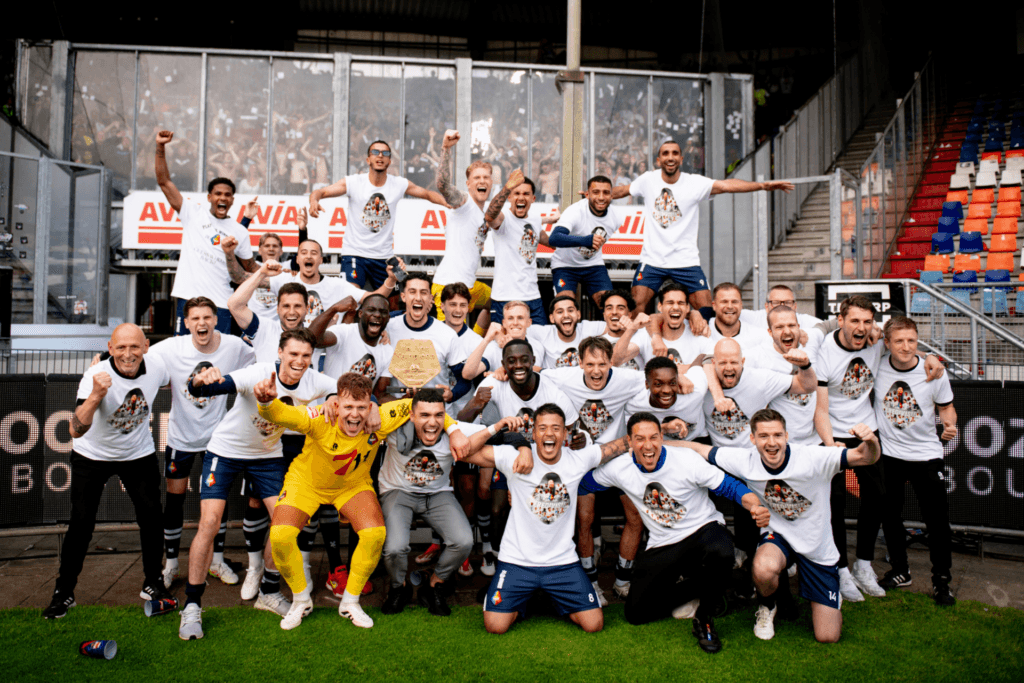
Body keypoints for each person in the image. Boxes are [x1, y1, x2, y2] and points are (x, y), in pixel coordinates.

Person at [255, 376, 470, 629]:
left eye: (361, 407)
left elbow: (420, 405)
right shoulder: (320, 417)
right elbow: (282, 414)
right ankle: (301, 600)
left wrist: (454, 430)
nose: (355, 415)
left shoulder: (380, 417)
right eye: (348, 407)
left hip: (352, 485)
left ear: (370, 406)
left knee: (374, 534)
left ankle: (351, 602)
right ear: (336, 405)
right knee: (280, 535)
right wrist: (266, 403)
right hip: (306, 484)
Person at [177, 329, 337, 640]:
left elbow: (345, 391)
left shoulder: (315, 380)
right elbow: (208, 387)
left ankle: (269, 592)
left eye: (305, 355)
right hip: (225, 452)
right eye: (293, 354)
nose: (299, 361)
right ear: (280, 353)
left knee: (285, 524)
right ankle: (192, 605)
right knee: (209, 523)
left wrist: (334, 400)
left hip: (267, 457)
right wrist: (200, 380)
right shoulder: (258, 373)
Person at [681, 410, 881, 644]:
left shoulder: (814, 457)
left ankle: (828, 593)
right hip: (778, 538)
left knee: (827, 636)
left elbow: (866, 457)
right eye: (763, 436)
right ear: (753, 439)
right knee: (763, 567)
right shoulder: (745, 460)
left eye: (777, 435)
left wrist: (871, 440)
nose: (771, 442)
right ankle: (767, 606)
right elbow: (698, 449)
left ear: (786, 436)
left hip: (817, 545)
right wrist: (656, 442)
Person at [584, 412, 770, 653]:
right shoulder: (618, 468)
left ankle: (704, 619)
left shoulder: (686, 460)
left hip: (702, 529)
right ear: (629, 441)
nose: (648, 446)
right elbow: (585, 483)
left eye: (654, 437)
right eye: (640, 439)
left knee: (722, 551)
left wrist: (754, 505)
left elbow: (730, 486)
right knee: (636, 613)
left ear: (662, 438)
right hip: (664, 541)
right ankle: (715, 583)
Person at [43, 324, 175, 619]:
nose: (128, 354)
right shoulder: (95, 375)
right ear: (110, 348)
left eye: (134, 347)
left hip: (137, 454)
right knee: (81, 523)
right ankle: (63, 592)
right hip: (92, 455)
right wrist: (95, 395)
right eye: (121, 347)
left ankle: (153, 582)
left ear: (146, 346)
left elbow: (175, 379)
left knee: (152, 518)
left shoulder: (156, 367)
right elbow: (75, 430)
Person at [473, 404, 633, 634]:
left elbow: (620, 445)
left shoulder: (578, 459)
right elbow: (465, 451)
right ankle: (528, 597)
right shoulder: (514, 457)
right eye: (543, 428)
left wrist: (663, 430)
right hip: (517, 561)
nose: (549, 433)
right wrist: (502, 431)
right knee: (495, 626)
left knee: (594, 624)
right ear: (534, 433)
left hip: (562, 563)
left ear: (565, 433)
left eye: (556, 428)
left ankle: (549, 596)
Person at [611, 140, 793, 321]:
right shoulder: (647, 180)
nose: (670, 157)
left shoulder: (693, 183)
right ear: (658, 160)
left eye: (675, 153)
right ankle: (638, 339)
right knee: (635, 305)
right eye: (665, 153)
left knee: (707, 312)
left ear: (681, 159)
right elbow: (621, 191)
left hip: (685, 260)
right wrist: (599, 194)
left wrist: (762, 186)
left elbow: (726, 185)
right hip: (653, 260)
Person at [148, 297, 255, 590]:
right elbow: (138, 355)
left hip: (217, 441)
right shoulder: (171, 347)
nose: (201, 323)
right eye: (195, 318)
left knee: (216, 504)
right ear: (186, 323)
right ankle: (171, 565)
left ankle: (216, 561)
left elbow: (261, 357)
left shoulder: (233, 346)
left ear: (216, 320)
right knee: (175, 501)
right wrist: (101, 360)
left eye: (207, 317)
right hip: (180, 438)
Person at [543, 337, 650, 602]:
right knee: (584, 520)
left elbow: (656, 376)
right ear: (579, 363)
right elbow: (538, 376)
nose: (596, 371)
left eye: (602, 364)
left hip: (619, 456)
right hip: (585, 459)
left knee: (636, 517)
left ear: (611, 362)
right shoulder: (564, 377)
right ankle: (591, 582)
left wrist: (686, 377)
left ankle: (623, 580)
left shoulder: (627, 379)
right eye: (590, 364)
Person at [874, 317, 958, 606]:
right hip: (889, 455)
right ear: (887, 343)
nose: (906, 346)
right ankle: (900, 570)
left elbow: (947, 407)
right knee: (890, 516)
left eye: (912, 340)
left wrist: (949, 424)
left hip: (926, 456)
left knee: (937, 521)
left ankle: (941, 581)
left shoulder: (932, 371)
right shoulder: (876, 365)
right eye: (899, 341)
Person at [379, 390, 485, 616]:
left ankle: (435, 583)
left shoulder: (454, 431)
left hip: (437, 493)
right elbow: (367, 416)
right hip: (398, 491)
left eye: (438, 415)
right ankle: (399, 587)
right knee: (395, 548)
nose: (432, 422)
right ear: (412, 415)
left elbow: (499, 435)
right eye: (424, 415)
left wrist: (522, 446)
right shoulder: (394, 428)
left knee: (463, 541)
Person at [309, 140, 449, 291]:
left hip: (385, 257)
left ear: (389, 161)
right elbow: (321, 192)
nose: (380, 156)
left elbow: (427, 194)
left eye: (385, 153)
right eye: (375, 152)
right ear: (368, 160)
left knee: (397, 299)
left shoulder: (398, 184)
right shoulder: (354, 182)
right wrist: (314, 201)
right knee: (350, 299)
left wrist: (449, 203)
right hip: (354, 254)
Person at [155, 130, 256, 334]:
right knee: (185, 350)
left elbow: (251, 268)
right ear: (209, 197)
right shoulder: (193, 213)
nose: (222, 198)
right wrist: (160, 147)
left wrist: (279, 272)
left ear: (232, 200)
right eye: (218, 194)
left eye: (227, 195)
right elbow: (164, 182)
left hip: (221, 304)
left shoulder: (240, 232)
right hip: (189, 300)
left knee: (220, 353)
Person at [432, 130, 494, 332]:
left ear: (491, 183)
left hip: (470, 285)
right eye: (477, 178)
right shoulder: (464, 203)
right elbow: (442, 185)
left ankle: (474, 339)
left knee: (497, 301)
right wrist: (446, 148)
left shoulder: (484, 213)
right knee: (451, 339)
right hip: (448, 286)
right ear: (468, 184)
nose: (482, 181)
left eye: (486, 177)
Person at [484, 169, 560, 325]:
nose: (521, 197)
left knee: (540, 339)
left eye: (526, 194)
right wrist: (507, 187)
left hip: (532, 298)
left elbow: (551, 243)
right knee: (504, 340)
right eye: (516, 193)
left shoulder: (534, 220)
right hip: (504, 298)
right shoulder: (503, 218)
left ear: (533, 198)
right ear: (509, 197)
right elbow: (490, 216)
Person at [743, 306, 827, 448]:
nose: (787, 331)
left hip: (814, 442)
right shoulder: (758, 356)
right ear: (770, 332)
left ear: (799, 327)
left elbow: (832, 324)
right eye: (779, 327)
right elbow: (722, 359)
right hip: (780, 445)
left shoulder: (810, 343)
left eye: (791, 325)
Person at [386, 272, 472, 404]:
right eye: (412, 292)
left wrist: (452, 395)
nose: (418, 298)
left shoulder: (447, 334)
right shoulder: (387, 328)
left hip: (435, 412)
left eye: (424, 292)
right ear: (403, 297)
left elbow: (465, 379)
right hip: (397, 411)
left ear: (431, 298)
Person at [308, 293, 394, 398]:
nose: (377, 315)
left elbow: (381, 395)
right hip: (329, 405)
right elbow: (311, 339)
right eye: (371, 310)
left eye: (383, 312)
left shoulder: (387, 351)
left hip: (360, 407)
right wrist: (333, 309)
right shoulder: (344, 332)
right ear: (360, 313)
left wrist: (407, 401)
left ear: (388, 318)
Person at [548, 176, 615, 308]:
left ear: (612, 196)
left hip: (593, 265)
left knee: (609, 305)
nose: (601, 197)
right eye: (596, 192)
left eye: (606, 193)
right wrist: (587, 240)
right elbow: (554, 238)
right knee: (565, 305)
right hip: (565, 265)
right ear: (587, 195)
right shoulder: (575, 211)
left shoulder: (616, 216)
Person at [613, 283, 713, 370]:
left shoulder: (699, 330)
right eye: (670, 303)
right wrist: (631, 329)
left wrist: (682, 369)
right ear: (660, 306)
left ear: (687, 308)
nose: (675, 307)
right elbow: (615, 361)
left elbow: (714, 366)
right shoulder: (646, 333)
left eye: (681, 303)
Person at [228, 260, 308, 362]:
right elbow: (234, 305)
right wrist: (261, 273)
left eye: (297, 306)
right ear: (277, 309)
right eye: (286, 306)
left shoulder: (314, 333)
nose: (291, 312)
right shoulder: (264, 329)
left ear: (307, 309)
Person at [625, 357, 709, 443]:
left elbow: (702, 357)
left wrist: (682, 370)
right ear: (647, 384)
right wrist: (665, 427)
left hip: (697, 439)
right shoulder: (634, 404)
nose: (667, 390)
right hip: (659, 444)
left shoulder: (695, 392)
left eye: (672, 383)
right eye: (658, 384)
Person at [527, 294, 606, 369]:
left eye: (570, 310)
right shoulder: (544, 332)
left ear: (578, 314)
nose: (566, 315)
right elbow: (520, 328)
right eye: (560, 312)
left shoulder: (586, 328)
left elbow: (611, 327)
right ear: (552, 318)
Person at [706, 283, 765, 350]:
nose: (730, 306)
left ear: (741, 305)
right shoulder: (702, 332)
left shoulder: (759, 337)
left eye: (734, 302)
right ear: (714, 305)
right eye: (724, 302)